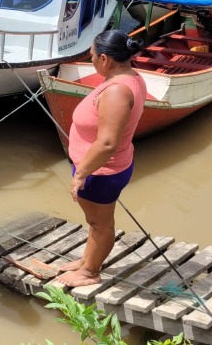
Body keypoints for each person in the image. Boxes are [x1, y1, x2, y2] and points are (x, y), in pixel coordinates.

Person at [56, 30, 146, 288]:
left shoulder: (117, 91)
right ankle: (86, 262)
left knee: (100, 224)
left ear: (105, 59)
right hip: (102, 168)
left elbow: (107, 143)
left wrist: (81, 174)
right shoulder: (131, 77)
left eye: (93, 56)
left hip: (100, 173)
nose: (91, 60)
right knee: (95, 222)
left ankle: (89, 273)